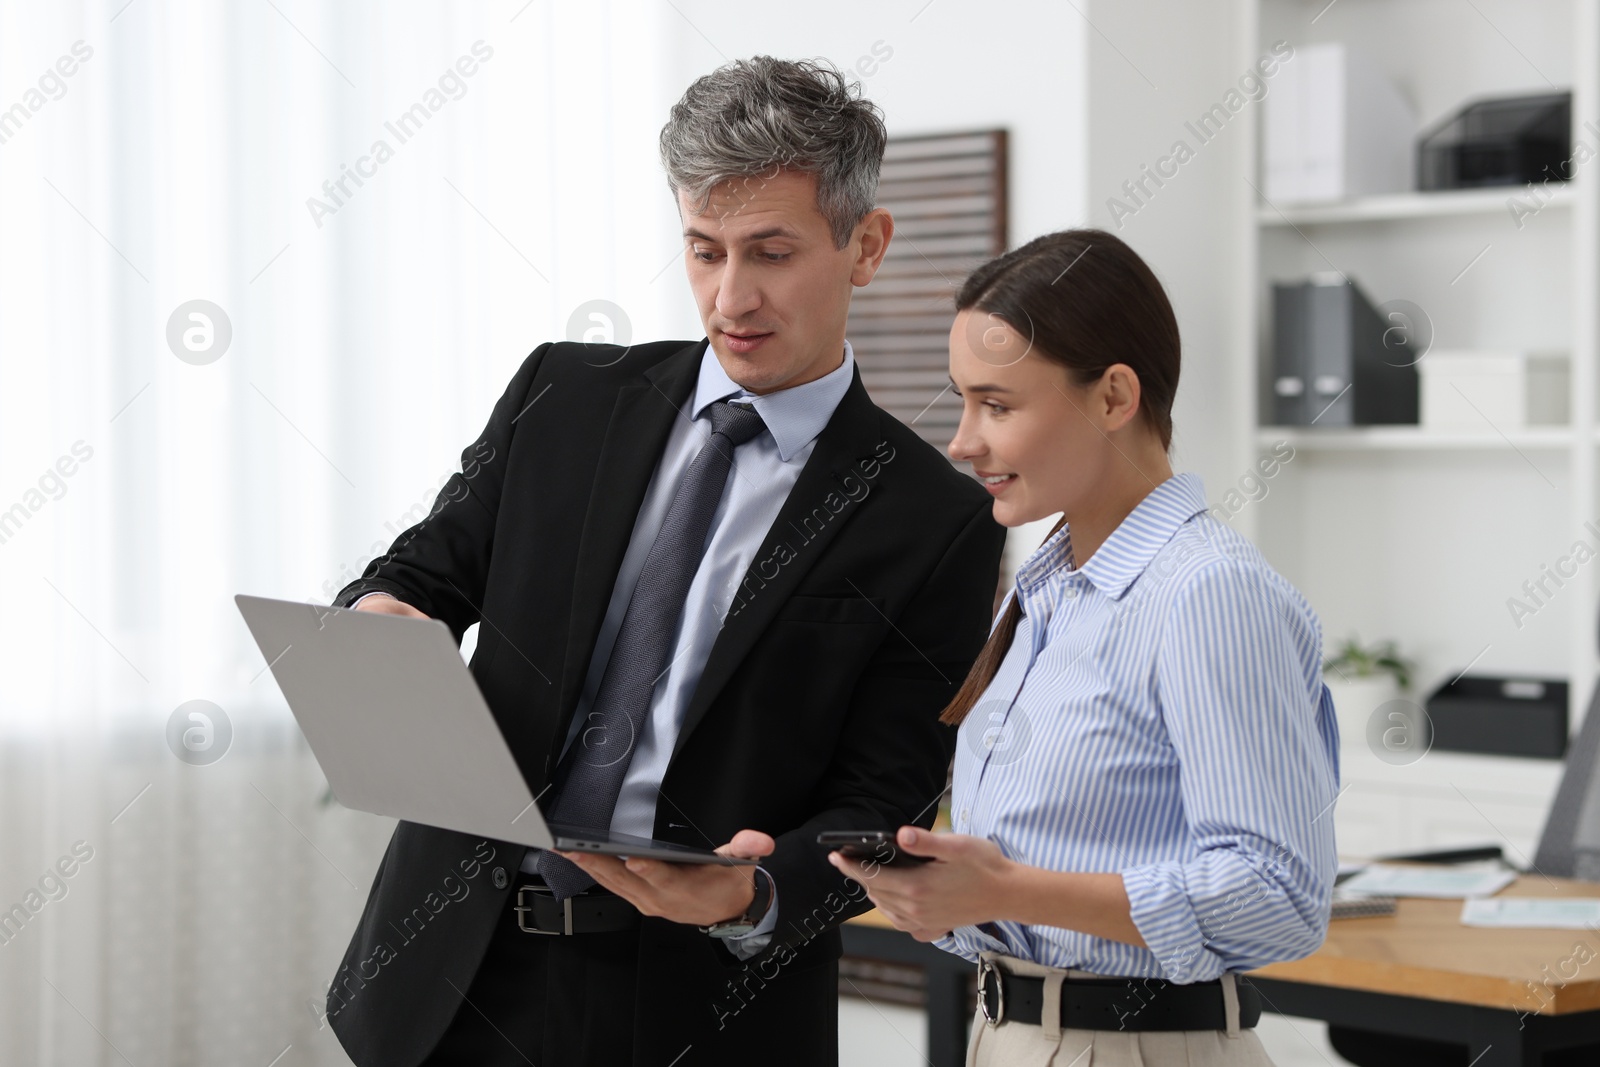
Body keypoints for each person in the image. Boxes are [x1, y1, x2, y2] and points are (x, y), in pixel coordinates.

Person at [324, 57, 1006, 1067]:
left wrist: (756, 891)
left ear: (866, 245)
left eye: (771, 252)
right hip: (453, 977)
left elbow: (887, 794)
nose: (732, 296)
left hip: (704, 1004)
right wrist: (381, 609)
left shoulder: (936, 515)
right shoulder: (563, 394)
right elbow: (423, 569)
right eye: (704, 249)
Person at [829, 228, 1340, 1066]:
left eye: (997, 405)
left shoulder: (1207, 594)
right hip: (1011, 1034)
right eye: (962, 402)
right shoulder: (1049, 589)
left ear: (1113, 398)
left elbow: (1278, 898)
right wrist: (944, 892)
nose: (962, 440)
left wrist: (1005, 889)